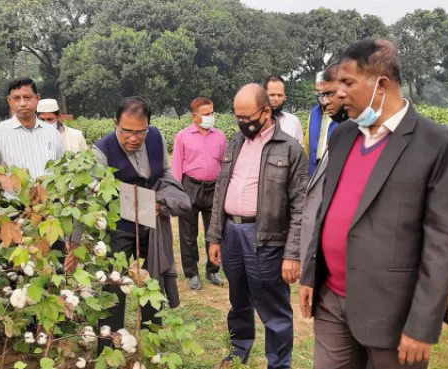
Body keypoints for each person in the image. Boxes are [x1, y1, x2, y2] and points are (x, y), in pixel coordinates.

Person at [298, 39, 448, 369]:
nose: (339, 94)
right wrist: (311, 273)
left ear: (381, 84)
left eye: (348, 83)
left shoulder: (440, 145)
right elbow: (325, 210)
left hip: (392, 313)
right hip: (332, 300)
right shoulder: (343, 136)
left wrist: (423, 325)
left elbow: (444, 244)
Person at [206, 84, 309, 369]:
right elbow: (220, 191)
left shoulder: (290, 149)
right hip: (232, 234)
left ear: (265, 112)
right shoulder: (235, 143)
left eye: (247, 117)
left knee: (273, 307)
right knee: (238, 299)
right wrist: (215, 236)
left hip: (265, 238)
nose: (242, 122)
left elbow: (301, 207)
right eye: (237, 116)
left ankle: (278, 363)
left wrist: (293, 254)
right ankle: (239, 349)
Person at [92, 97, 190, 351]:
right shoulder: (101, 151)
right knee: (114, 289)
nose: (134, 138)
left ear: (148, 126)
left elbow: (165, 171)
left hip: (152, 227)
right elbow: (95, 197)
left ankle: (150, 344)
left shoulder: (156, 137)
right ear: (115, 123)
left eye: (140, 131)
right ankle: (107, 349)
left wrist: (165, 197)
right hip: (119, 230)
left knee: (152, 283)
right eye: (127, 131)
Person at [171, 97, 227, 290]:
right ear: (195, 116)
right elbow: (176, 165)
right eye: (206, 114)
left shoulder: (220, 136)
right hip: (190, 186)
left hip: (214, 188)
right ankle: (192, 272)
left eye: (211, 113)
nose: (210, 116)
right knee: (188, 233)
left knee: (214, 231)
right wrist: (177, 191)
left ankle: (213, 270)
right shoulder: (182, 136)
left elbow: (224, 164)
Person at [299, 63, 348, 270]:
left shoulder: (345, 118)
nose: (323, 99)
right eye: (319, 94)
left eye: (327, 94)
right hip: (315, 171)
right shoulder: (314, 114)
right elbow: (308, 145)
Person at [304, 70, 340, 177]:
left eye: (323, 92)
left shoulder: (341, 114)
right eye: (317, 91)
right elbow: (307, 147)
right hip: (313, 172)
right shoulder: (313, 113)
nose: (321, 96)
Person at [266, 76, 304, 144]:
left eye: (280, 95)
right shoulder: (256, 120)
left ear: (285, 97)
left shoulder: (293, 122)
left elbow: (300, 148)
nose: (276, 99)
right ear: (263, 96)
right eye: (272, 95)